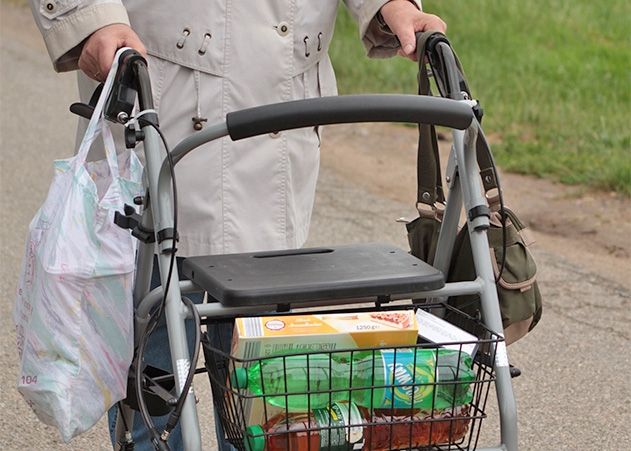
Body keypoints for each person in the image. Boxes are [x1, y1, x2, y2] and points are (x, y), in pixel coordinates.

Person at [30, 0, 446, 449]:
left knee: (265, 396)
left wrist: (391, 5)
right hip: (162, 103)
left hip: (279, 122)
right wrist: (89, 20)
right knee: (157, 374)